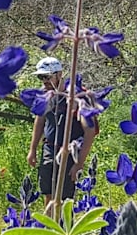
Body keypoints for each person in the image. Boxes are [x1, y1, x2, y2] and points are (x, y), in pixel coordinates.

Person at [27, 57, 100, 206]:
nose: (44, 81)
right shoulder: (44, 95)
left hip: (69, 151)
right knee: (47, 192)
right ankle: (49, 227)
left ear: (59, 74)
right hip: (48, 148)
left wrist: (79, 163)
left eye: (47, 77)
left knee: (65, 198)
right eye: (41, 77)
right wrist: (33, 149)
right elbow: (39, 121)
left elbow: (90, 132)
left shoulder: (77, 96)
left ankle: (64, 227)